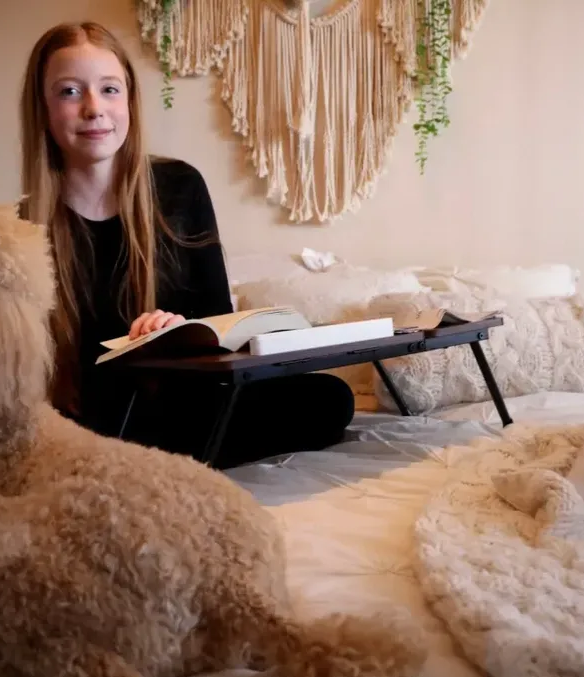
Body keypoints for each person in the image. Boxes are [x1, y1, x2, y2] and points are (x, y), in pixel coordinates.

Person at [19, 21, 354, 469]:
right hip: (88, 415)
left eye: (110, 89)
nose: (94, 108)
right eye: (69, 92)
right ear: (42, 108)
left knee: (330, 397)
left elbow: (220, 322)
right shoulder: (22, 226)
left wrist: (178, 330)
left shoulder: (179, 187)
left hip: (182, 400)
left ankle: (145, 461)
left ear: (131, 102)